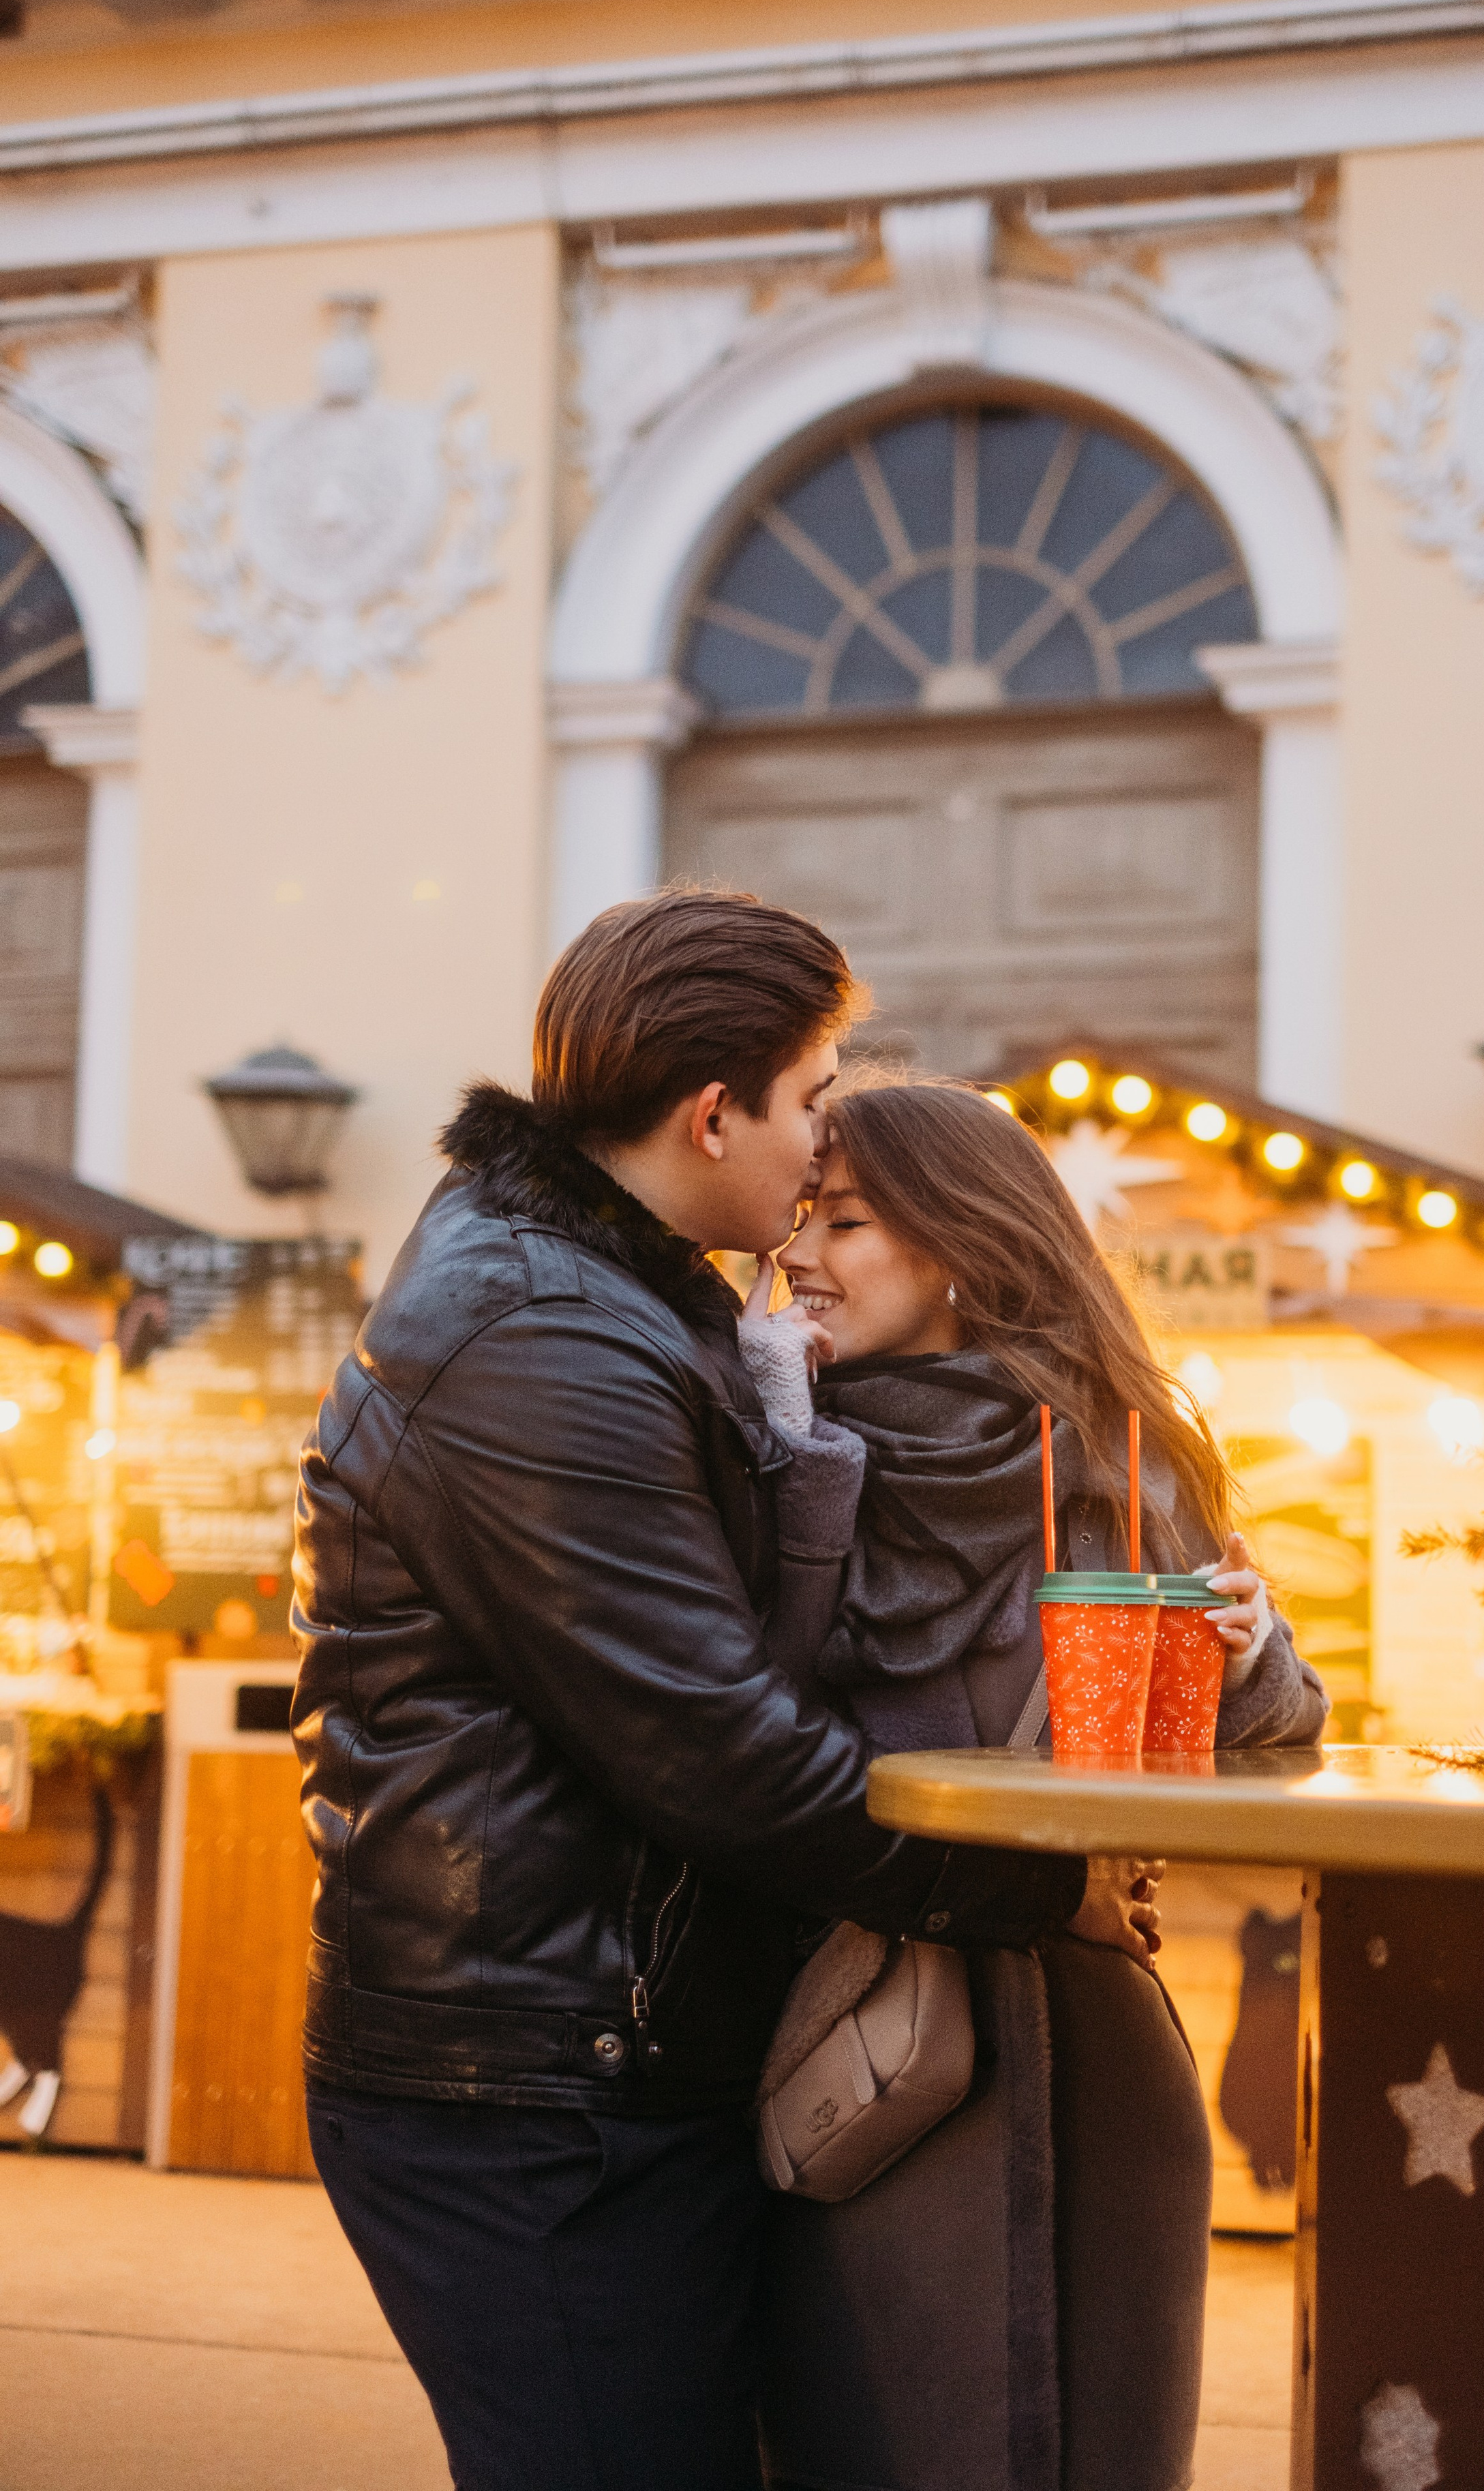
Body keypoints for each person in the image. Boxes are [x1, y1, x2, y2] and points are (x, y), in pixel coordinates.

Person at [290, 890, 1147, 2491]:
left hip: (601, 2051)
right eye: (813, 1098)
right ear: (710, 1113)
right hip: (534, 2082)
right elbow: (716, 1749)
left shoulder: (612, 1291)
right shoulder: (540, 1331)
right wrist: (1039, 1885)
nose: (823, 1145)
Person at [736, 1076, 1328, 2491]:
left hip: (1087, 2050)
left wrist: (1245, 1651)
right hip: (855, 2046)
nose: (801, 1253)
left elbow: (1270, 1730)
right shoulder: (766, 1446)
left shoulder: (1112, 1456)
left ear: (959, 1241)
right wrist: (791, 1460)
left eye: (850, 1219)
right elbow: (735, 1722)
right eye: (800, 1218)